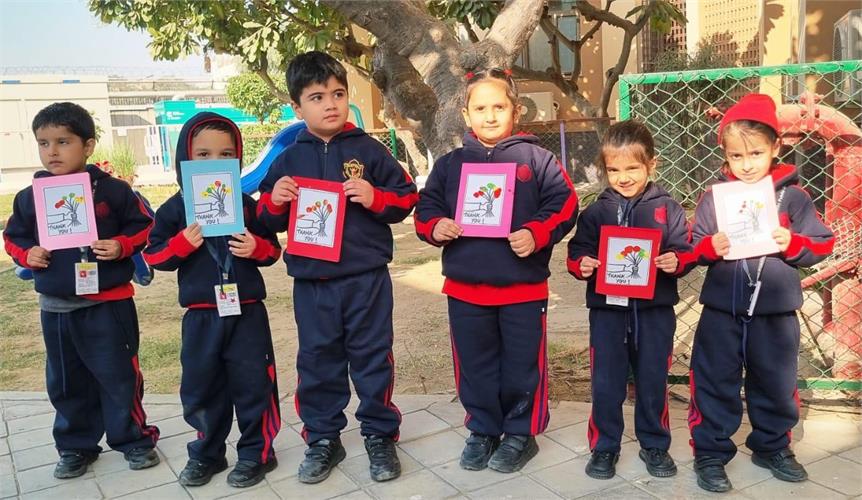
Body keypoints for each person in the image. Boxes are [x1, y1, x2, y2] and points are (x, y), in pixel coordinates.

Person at [257, 51, 418, 484]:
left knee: (372, 357)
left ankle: (379, 434)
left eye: (338, 94)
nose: (330, 104)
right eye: (317, 97)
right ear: (297, 107)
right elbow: (265, 219)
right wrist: (276, 200)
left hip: (367, 279)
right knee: (317, 361)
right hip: (312, 284)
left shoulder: (369, 150)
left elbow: (406, 197)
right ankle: (323, 438)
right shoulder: (288, 159)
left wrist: (375, 197)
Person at [414, 68, 578, 473]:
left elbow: (565, 204)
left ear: (516, 111)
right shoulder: (450, 165)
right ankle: (483, 429)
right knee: (476, 365)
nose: (490, 116)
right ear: (466, 115)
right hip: (466, 291)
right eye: (480, 108)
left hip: (523, 290)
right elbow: (426, 208)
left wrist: (536, 232)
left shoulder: (538, 160)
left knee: (523, 366)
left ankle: (521, 433)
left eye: (499, 107)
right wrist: (436, 225)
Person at [680, 93, 834, 492]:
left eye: (755, 153)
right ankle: (710, 453)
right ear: (725, 155)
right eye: (736, 156)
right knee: (713, 381)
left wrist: (792, 242)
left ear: (775, 147)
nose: (746, 164)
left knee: (775, 383)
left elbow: (822, 243)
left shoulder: (794, 197)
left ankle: (772, 446)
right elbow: (693, 246)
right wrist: (710, 247)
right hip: (721, 312)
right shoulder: (715, 198)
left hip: (774, 314)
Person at [3, 102, 159, 478]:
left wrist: (121, 245)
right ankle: (75, 446)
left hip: (109, 305)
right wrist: (29, 254)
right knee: (65, 381)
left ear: (88, 146)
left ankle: (134, 440)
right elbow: (13, 237)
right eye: (44, 143)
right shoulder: (29, 197)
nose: (52, 151)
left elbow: (146, 226)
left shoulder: (114, 191)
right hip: (56, 308)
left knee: (119, 376)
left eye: (63, 141)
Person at [143, 112, 282, 488]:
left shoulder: (246, 204)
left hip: (247, 313)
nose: (214, 162)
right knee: (201, 388)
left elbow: (273, 250)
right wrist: (180, 244)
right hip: (201, 316)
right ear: (184, 159)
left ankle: (257, 452)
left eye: (225, 155)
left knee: (255, 384)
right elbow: (153, 255)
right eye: (203, 155)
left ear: (237, 160)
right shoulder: (175, 209)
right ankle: (207, 453)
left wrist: (256, 248)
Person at [567, 120, 691, 479]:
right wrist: (583, 264)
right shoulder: (595, 212)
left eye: (632, 168)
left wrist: (675, 261)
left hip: (654, 313)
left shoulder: (667, 209)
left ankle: (654, 445)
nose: (623, 178)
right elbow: (577, 251)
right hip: (607, 314)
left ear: (652, 164)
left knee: (652, 380)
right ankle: (604, 447)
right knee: (606, 383)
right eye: (614, 170)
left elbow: (685, 250)